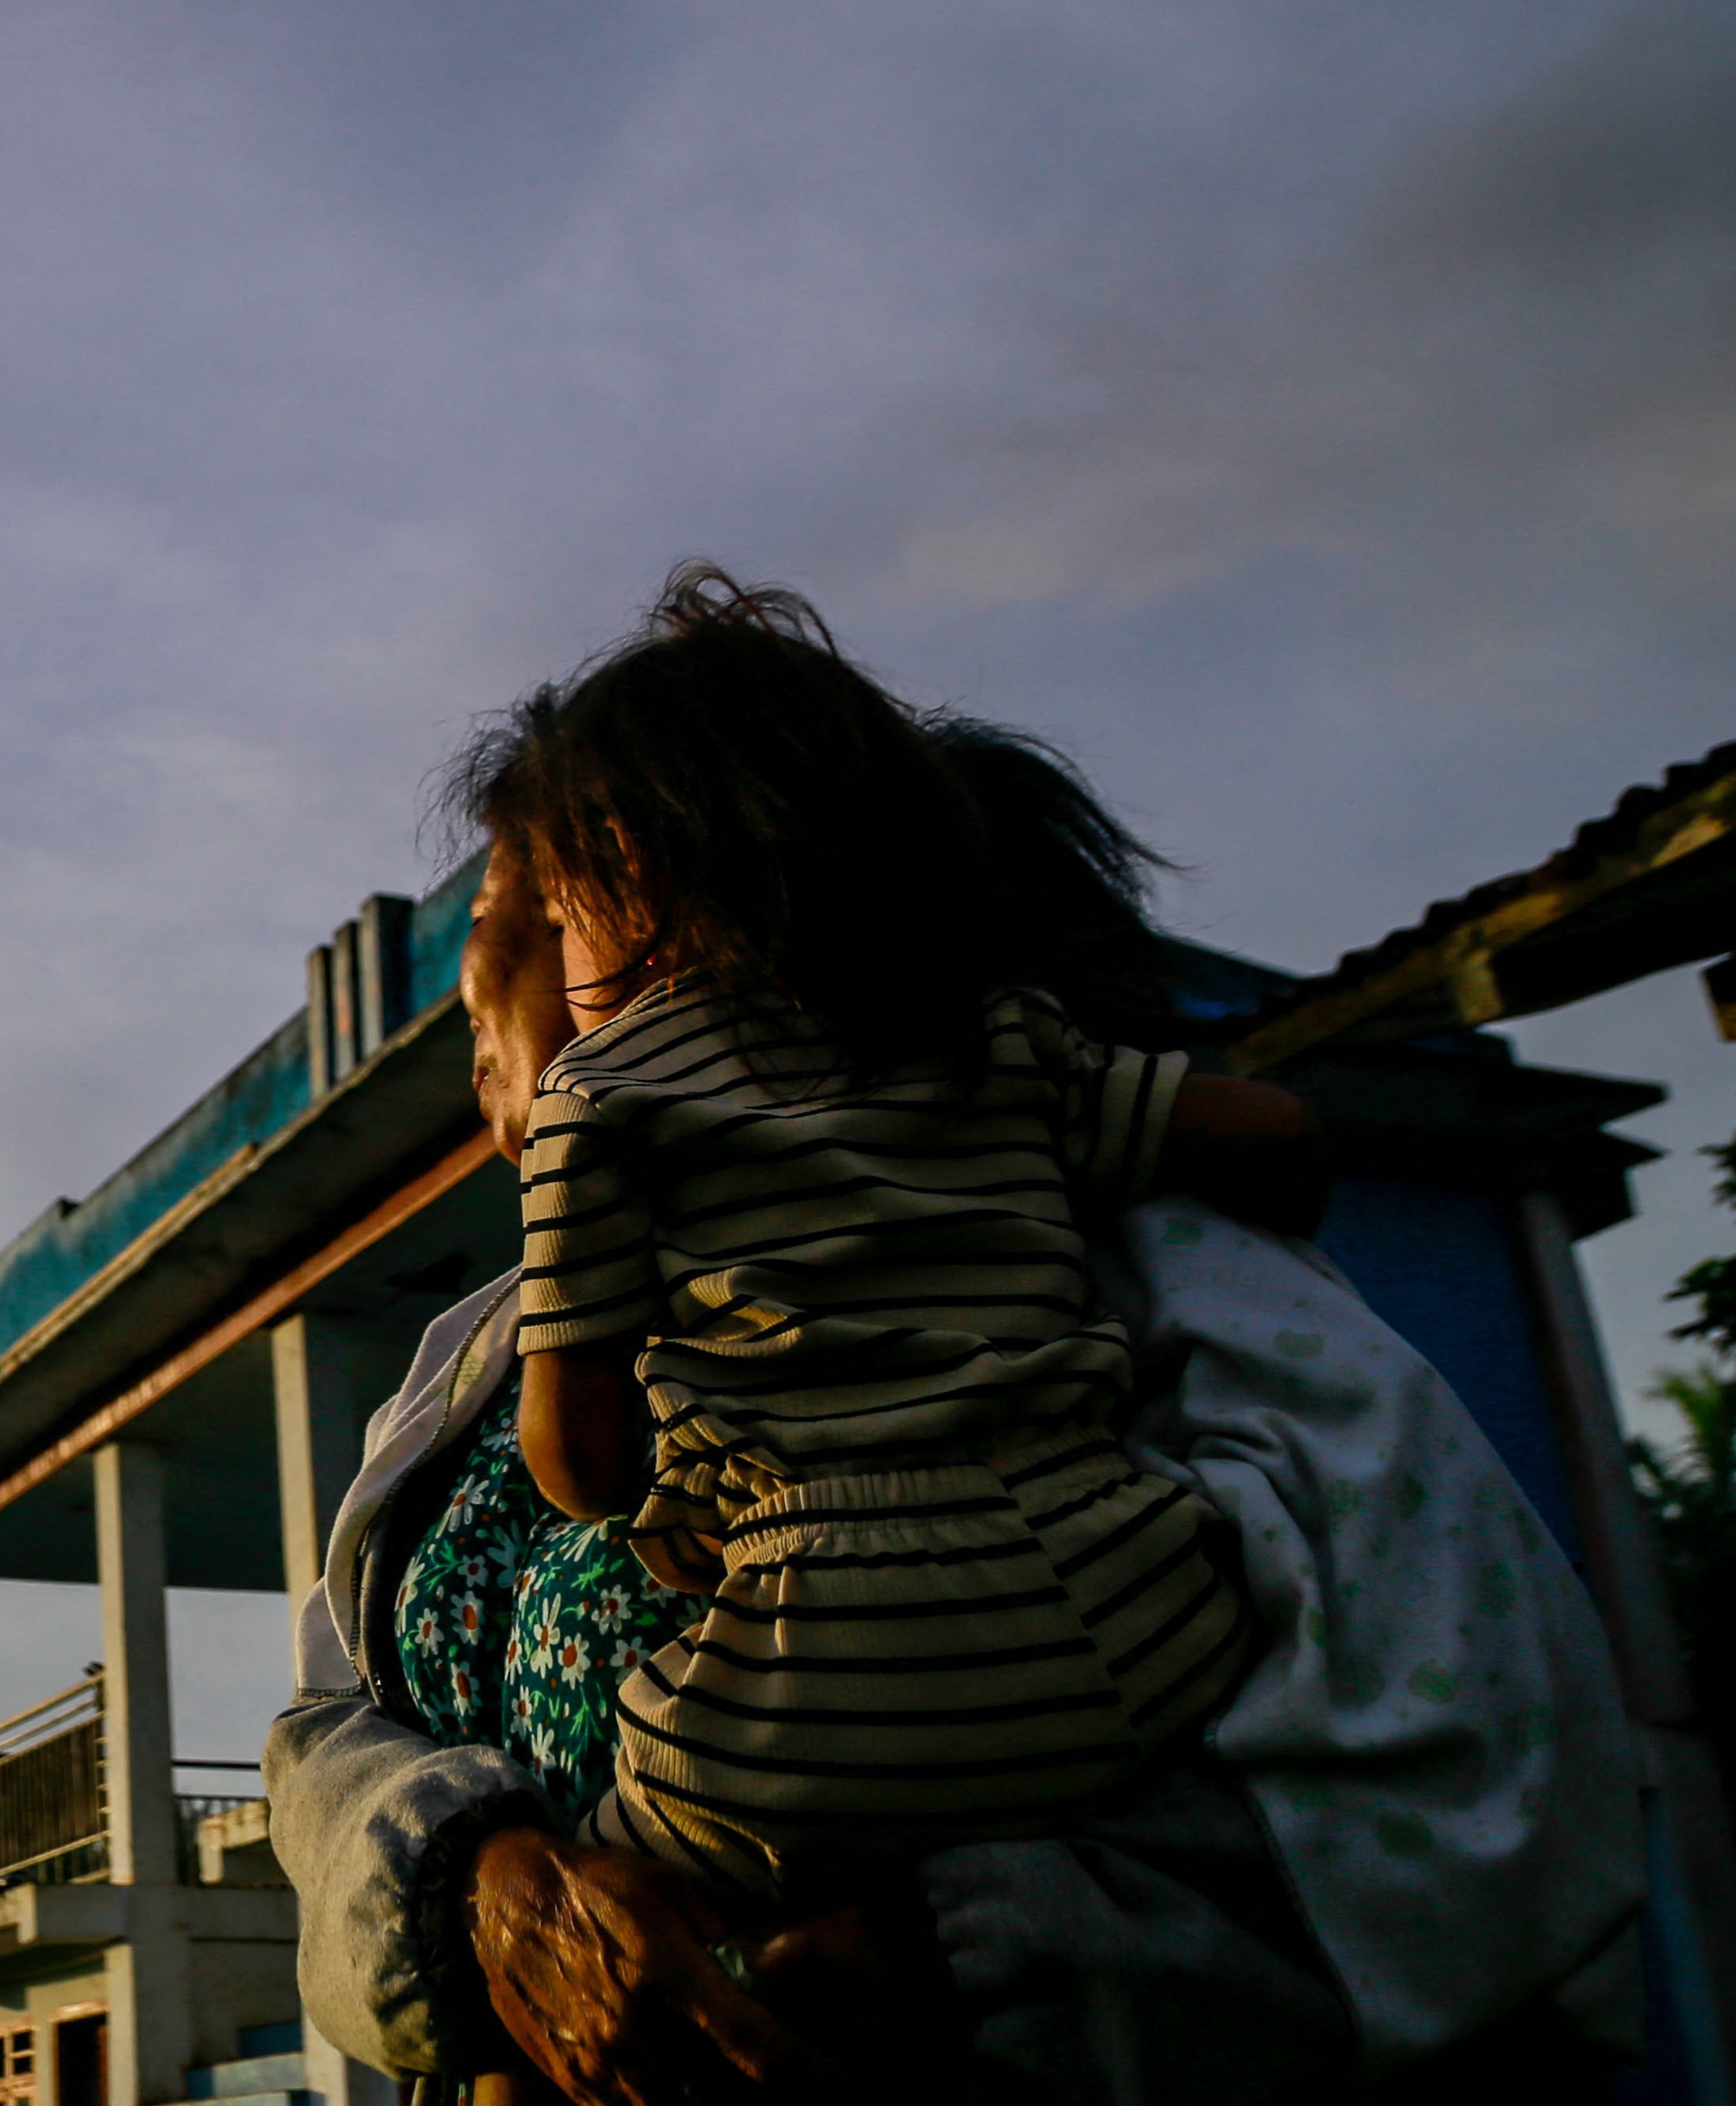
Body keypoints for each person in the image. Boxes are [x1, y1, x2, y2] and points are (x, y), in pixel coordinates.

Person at [265, 655, 1648, 2106]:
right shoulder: (475, 1356)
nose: (474, 984)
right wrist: (480, 1888)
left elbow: (1474, 1830)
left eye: (510, 913)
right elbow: (324, 1727)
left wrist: (952, 1954)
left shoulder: (1145, 1290)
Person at [458, 568, 1320, 1898]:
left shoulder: (605, 1097)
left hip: (819, 1666)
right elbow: (1276, 1136)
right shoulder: (999, 1041)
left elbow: (575, 1459)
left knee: (604, 1899)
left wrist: (661, 1482)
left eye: (557, 913)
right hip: (1130, 1622)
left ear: (622, 872)